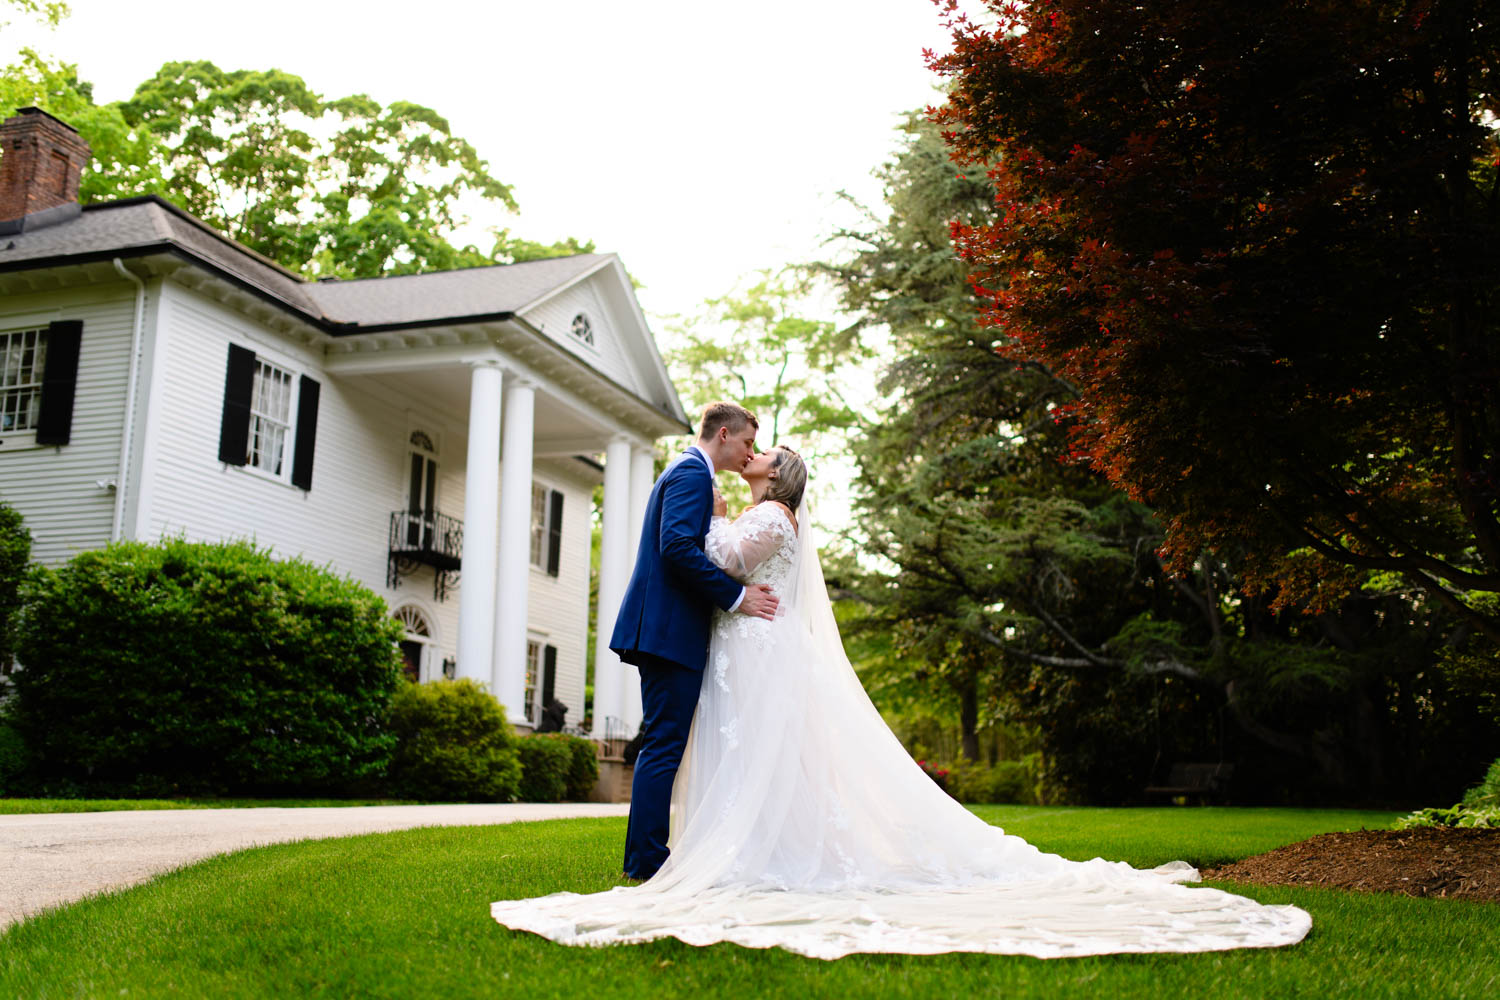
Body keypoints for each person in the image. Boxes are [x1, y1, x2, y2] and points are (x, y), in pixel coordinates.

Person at [493, 445, 1313, 959]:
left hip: (762, 651)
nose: (755, 457)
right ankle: (734, 846)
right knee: (744, 754)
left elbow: (724, 560)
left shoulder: (771, 517)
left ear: (780, 479)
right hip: (742, 650)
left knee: (764, 750)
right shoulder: (752, 504)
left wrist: (703, 517)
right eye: (754, 448)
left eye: (766, 455)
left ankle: (753, 855)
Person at [607, 401, 779, 881]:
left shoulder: (689, 474)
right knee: (664, 744)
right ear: (724, 434)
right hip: (667, 630)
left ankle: (647, 855)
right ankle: (646, 860)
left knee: (664, 742)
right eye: (747, 442)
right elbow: (677, 546)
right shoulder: (691, 474)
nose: (750, 452)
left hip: (667, 629)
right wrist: (736, 595)